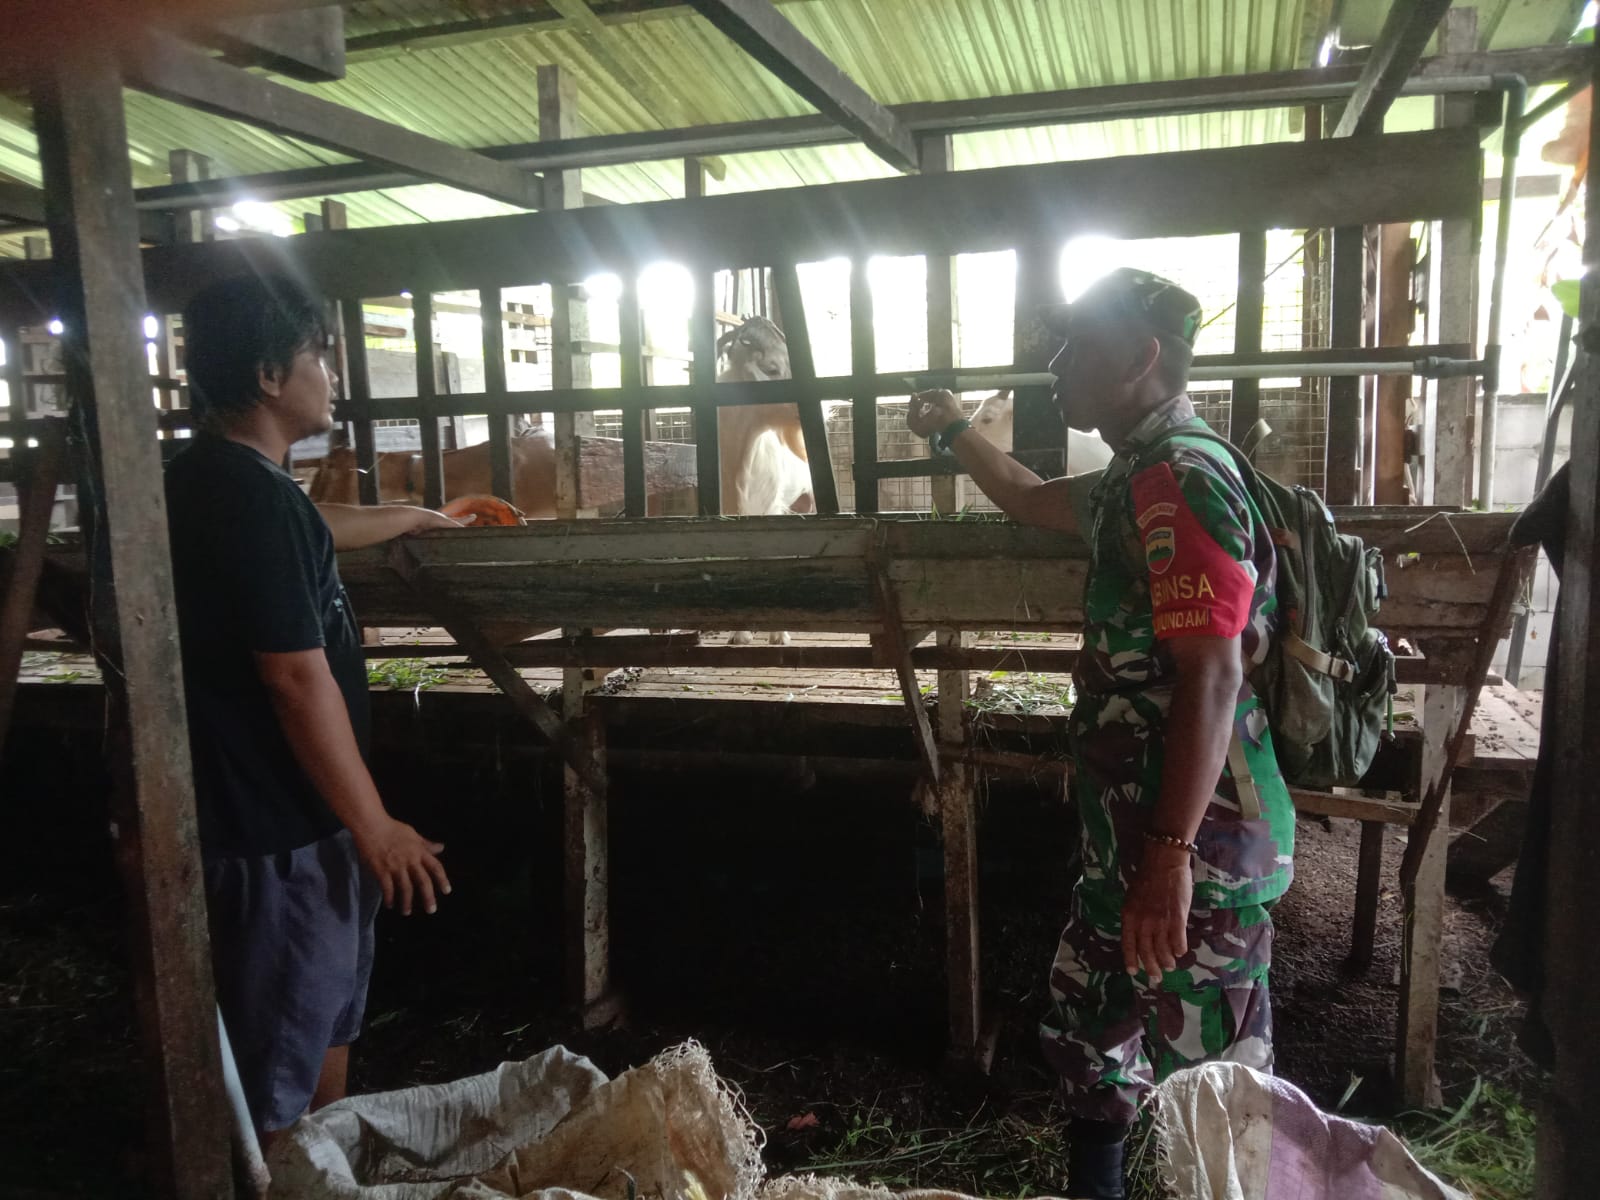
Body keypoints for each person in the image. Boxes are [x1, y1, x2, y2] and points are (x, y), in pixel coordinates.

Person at [907, 268, 1293, 1200]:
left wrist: (1167, 854)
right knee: (1086, 1042)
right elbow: (1031, 496)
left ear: (1142, 357)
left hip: (1196, 849)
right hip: (1129, 843)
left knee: (1217, 1093)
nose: (1057, 365)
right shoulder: (1134, 474)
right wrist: (957, 428)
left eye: (1078, 347)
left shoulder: (1184, 478)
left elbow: (1214, 671)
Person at [165, 273, 458, 1146]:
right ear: (267, 375)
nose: (330, 373)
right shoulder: (249, 500)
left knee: (323, 1026)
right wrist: (374, 827)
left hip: (293, 825)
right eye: (317, 355)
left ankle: (317, 1170)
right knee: (282, 1067)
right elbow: (295, 678)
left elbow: (308, 520)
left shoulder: (217, 481)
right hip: (279, 835)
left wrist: (411, 514)